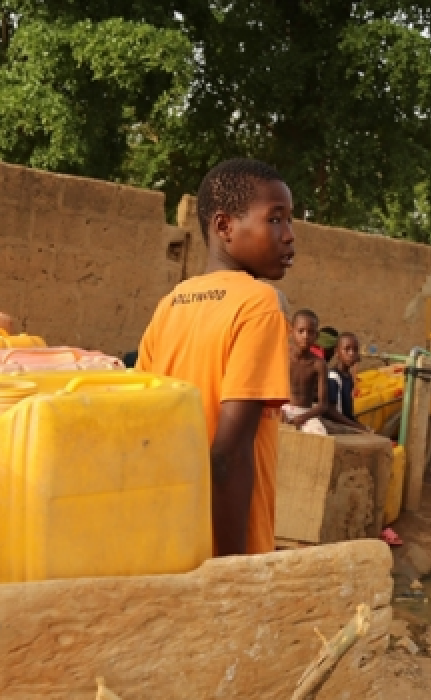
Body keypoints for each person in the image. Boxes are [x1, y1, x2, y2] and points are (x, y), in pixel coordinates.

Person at [136, 158, 295, 557]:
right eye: (275, 220)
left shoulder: (170, 305)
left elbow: (143, 430)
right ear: (224, 226)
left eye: (290, 221)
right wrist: (232, 569)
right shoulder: (258, 306)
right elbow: (227, 453)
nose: (290, 236)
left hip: (169, 535)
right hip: (223, 544)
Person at [283, 309, 330, 435]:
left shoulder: (319, 364)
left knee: (319, 435)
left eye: (310, 332)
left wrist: (303, 417)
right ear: (291, 332)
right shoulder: (282, 358)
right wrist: (278, 410)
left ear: (316, 336)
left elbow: (323, 405)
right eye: (301, 331)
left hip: (306, 413)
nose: (305, 336)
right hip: (281, 409)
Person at [325, 332, 370, 433]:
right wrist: (357, 427)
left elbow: (347, 412)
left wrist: (360, 426)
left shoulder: (348, 377)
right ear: (337, 352)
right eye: (347, 349)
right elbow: (330, 411)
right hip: (333, 425)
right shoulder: (333, 376)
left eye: (355, 350)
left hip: (343, 424)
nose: (351, 353)